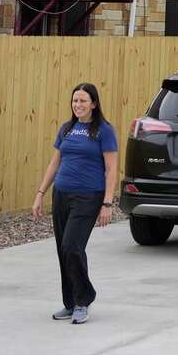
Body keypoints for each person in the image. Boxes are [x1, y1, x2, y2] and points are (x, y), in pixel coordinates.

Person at [31, 82, 118, 324]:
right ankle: (70, 303)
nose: (78, 105)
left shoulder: (104, 130)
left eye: (83, 101)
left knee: (72, 246)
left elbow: (111, 169)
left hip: (88, 197)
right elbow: (54, 163)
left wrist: (107, 204)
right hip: (61, 194)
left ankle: (83, 299)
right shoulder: (67, 128)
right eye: (74, 101)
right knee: (63, 249)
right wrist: (40, 193)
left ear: (94, 104)